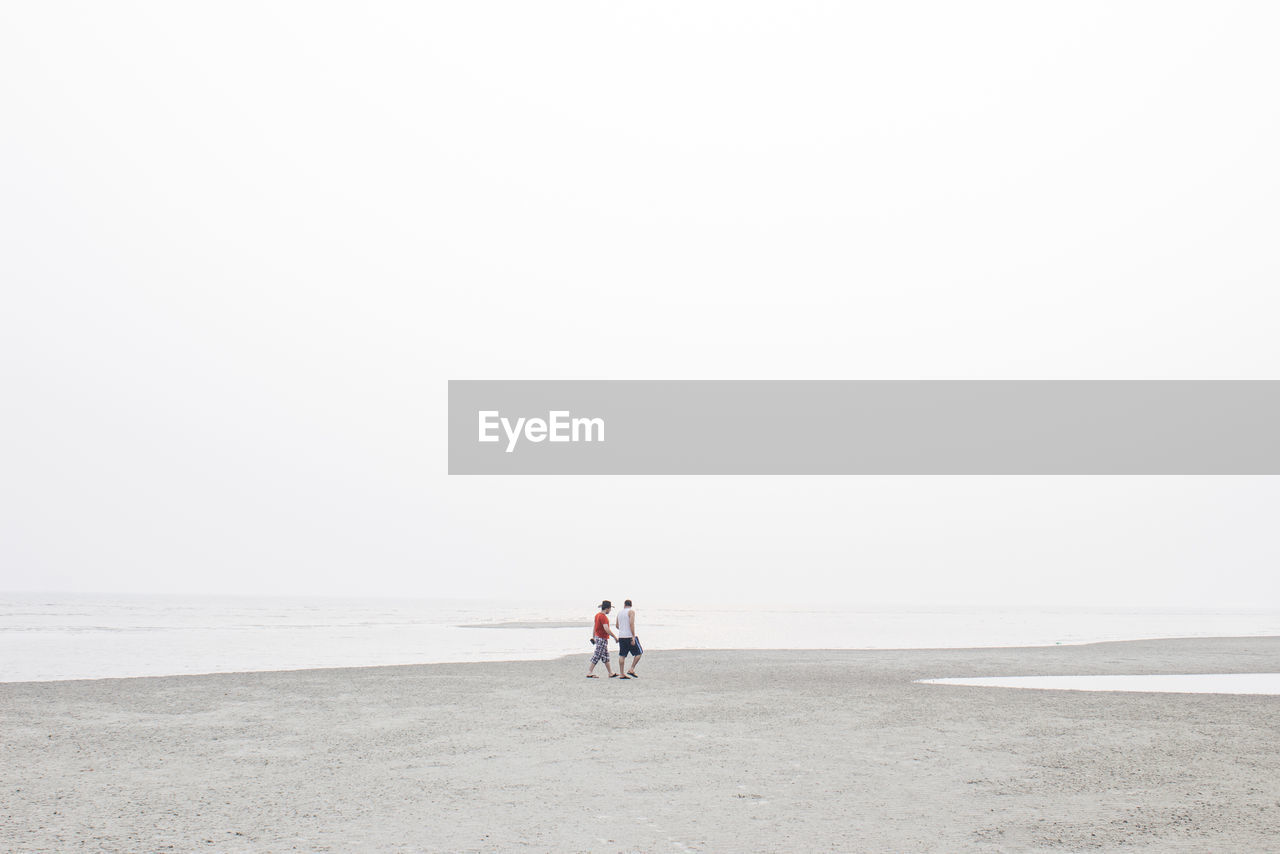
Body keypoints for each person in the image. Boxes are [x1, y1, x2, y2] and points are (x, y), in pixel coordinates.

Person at [586, 600, 618, 678]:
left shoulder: (597, 615)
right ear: (607, 608)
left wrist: (593, 637)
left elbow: (595, 627)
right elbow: (606, 629)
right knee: (597, 655)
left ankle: (610, 673)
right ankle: (589, 672)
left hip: (598, 637)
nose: (610, 610)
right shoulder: (603, 617)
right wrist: (614, 637)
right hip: (602, 638)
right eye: (610, 609)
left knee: (605, 656)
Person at [614, 598, 642, 678]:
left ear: (624, 604)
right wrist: (633, 636)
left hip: (621, 636)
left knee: (622, 655)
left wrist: (623, 629)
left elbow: (616, 625)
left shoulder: (619, 612)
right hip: (629, 636)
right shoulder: (631, 611)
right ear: (631, 605)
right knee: (639, 653)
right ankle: (632, 668)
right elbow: (631, 624)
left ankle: (622, 673)